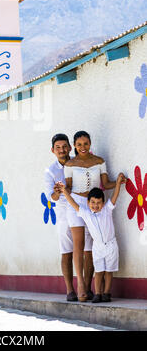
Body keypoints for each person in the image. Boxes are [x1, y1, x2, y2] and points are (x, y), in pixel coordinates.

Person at [60, 130, 119, 302]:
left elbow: (106, 184)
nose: (83, 147)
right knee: (78, 244)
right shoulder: (70, 165)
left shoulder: (99, 161)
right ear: (74, 146)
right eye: (79, 144)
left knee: (92, 246)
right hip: (77, 204)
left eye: (86, 143)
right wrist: (60, 191)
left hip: (95, 204)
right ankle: (81, 286)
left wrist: (120, 181)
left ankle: (88, 284)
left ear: (90, 143)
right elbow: (69, 187)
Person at [58, 172, 126, 303]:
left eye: (99, 203)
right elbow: (73, 204)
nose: (95, 205)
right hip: (98, 247)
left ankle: (106, 293)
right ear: (88, 202)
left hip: (111, 245)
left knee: (109, 270)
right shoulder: (86, 214)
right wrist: (64, 191)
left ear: (103, 203)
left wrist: (118, 183)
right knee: (99, 270)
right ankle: (98, 293)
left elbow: (114, 196)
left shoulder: (107, 210)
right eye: (93, 202)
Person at [45, 133, 94, 302]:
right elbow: (51, 197)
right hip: (64, 214)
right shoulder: (50, 171)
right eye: (58, 147)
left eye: (64, 146)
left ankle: (87, 288)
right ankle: (70, 290)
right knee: (66, 251)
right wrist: (57, 192)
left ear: (70, 147)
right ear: (53, 150)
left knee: (88, 249)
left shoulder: (78, 163)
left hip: (81, 210)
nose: (62, 150)